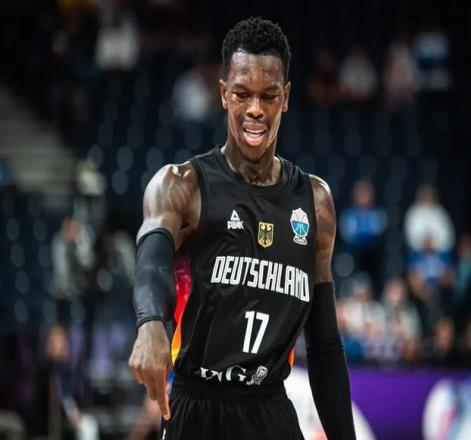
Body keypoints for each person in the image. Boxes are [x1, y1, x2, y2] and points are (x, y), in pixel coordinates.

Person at [128, 17, 356, 440]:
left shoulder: (316, 202)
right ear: (223, 94)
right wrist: (150, 324)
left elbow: (324, 343)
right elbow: (152, 258)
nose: (255, 109)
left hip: (271, 410)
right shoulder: (181, 186)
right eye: (242, 94)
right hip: (196, 408)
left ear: (286, 98)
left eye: (268, 95)